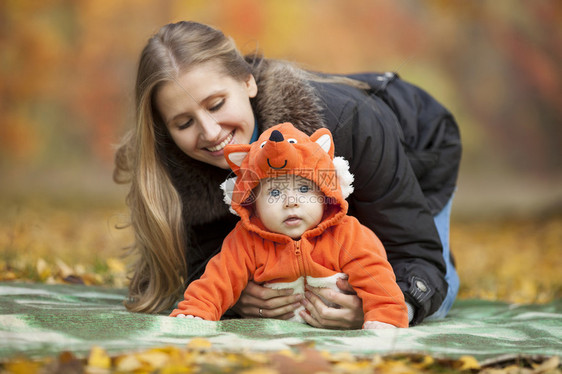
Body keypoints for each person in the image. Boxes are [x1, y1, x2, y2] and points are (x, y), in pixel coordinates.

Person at [113, 20, 462, 327]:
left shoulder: (353, 121)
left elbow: (413, 251)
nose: (210, 133)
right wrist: (236, 299)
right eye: (184, 122)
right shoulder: (177, 163)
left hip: (415, 144)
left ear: (247, 82)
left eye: (216, 104)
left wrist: (383, 305)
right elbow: (206, 257)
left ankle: (444, 252)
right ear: (166, 129)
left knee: (416, 282)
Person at [170, 123, 409, 329]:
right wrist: (198, 310)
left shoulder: (347, 234)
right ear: (254, 205)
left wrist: (385, 315)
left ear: (325, 194)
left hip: (335, 331)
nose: (291, 201)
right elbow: (217, 280)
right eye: (274, 192)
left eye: (304, 189)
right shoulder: (245, 241)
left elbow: (376, 276)